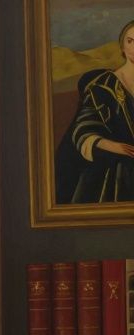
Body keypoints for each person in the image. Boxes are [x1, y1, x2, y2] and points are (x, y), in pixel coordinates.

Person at [55, 20, 134, 204]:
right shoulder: (103, 86)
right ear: (122, 46)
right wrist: (114, 146)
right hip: (119, 172)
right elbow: (83, 127)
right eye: (130, 41)